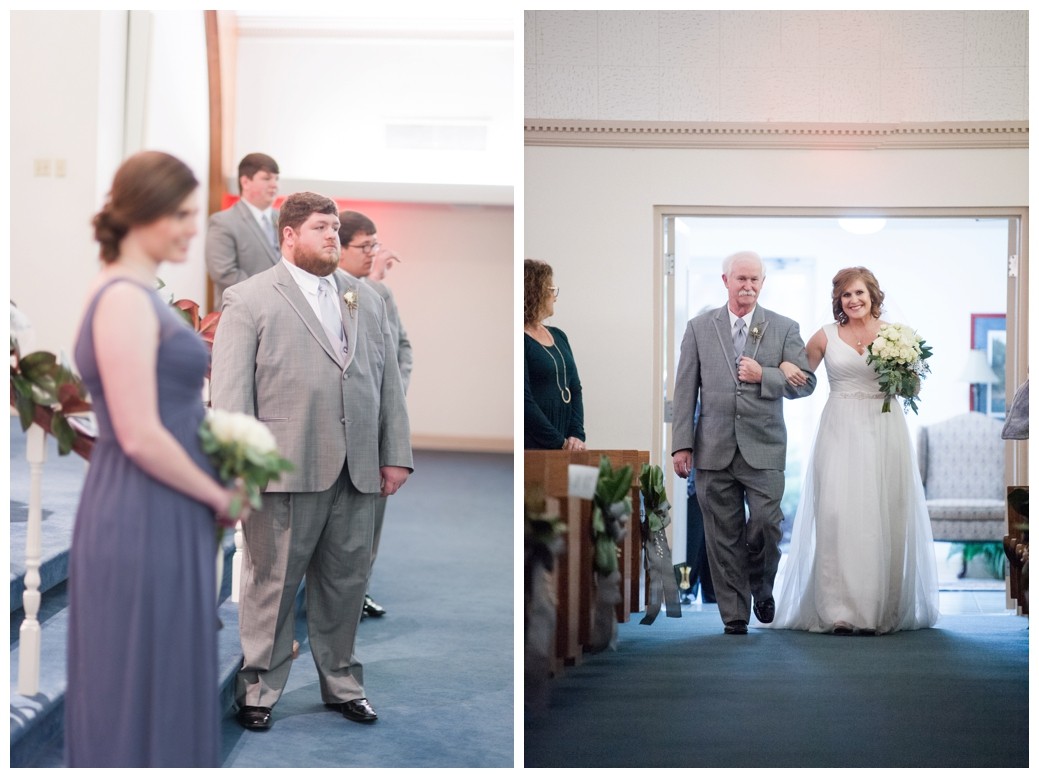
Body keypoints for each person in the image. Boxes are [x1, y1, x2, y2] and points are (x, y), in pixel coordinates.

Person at [65, 151, 247, 767]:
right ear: (143, 211)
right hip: (141, 505)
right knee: (136, 671)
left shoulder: (140, 290)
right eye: (182, 214)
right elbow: (138, 433)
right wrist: (219, 494)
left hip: (170, 501)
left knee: (168, 664)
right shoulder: (121, 296)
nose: (193, 228)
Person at [210, 192, 412, 731]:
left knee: (346, 583)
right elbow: (231, 396)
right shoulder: (249, 298)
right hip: (283, 468)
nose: (333, 236)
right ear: (289, 235)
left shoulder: (364, 298)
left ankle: (342, 683)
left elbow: (386, 380)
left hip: (359, 468)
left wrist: (395, 454)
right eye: (322, 227)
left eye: (337, 227)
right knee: (271, 586)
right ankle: (258, 689)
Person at [764, 267, 940, 635]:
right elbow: (802, 377)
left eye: (859, 293)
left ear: (873, 295)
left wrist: (904, 375)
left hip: (884, 428)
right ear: (838, 300)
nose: (854, 300)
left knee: (880, 515)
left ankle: (877, 611)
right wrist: (782, 364)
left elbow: (914, 388)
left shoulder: (896, 336)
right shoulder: (825, 336)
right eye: (846, 295)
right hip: (840, 429)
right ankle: (838, 612)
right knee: (837, 513)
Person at [671, 250, 816, 635]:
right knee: (722, 535)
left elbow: (807, 385)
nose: (748, 286)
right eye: (741, 279)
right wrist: (681, 444)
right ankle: (734, 615)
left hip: (764, 449)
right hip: (712, 447)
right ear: (726, 281)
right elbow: (685, 389)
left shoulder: (784, 328)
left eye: (755, 280)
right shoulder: (699, 327)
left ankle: (762, 585)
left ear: (762, 284)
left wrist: (764, 374)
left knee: (767, 524)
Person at [337, 210, 413, 619]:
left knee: (369, 522)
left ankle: (358, 591)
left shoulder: (381, 295)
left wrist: (391, 399)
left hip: (375, 421)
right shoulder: (326, 292)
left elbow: (402, 349)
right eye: (365, 246)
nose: (373, 253)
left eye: (375, 245)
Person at [524, 259, 586, 451]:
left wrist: (576, 435)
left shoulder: (559, 336)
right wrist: (559, 442)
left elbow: (575, 388)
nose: (555, 297)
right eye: (551, 289)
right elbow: (524, 400)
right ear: (535, 291)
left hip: (566, 444)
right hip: (534, 444)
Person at [204, 152, 281, 306]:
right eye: (266, 178)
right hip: (242, 312)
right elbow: (224, 273)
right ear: (245, 182)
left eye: (276, 178)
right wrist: (272, 295)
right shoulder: (223, 222)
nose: (274, 185)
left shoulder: (284, 219)